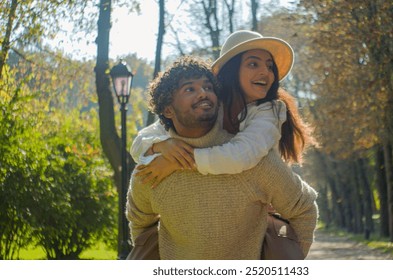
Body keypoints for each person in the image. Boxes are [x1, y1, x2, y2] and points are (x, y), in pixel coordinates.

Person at [125, 56, 318, 259]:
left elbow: (303, 208)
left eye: (208, 87)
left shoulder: (254, 158)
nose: (203, 93)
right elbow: (139, 223)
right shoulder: (152, 169)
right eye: (189, 89)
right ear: (168, 110)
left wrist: (291, 259)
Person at [130, 30, 313, 187]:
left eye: (269, 66)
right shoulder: (209, 106)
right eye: (253, 64)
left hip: (263, 204)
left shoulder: (270, 111)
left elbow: (242, 154)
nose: (266, 72)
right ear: (232, 70)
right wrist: (161, 145)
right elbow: (139, 143)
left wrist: (176, 163)